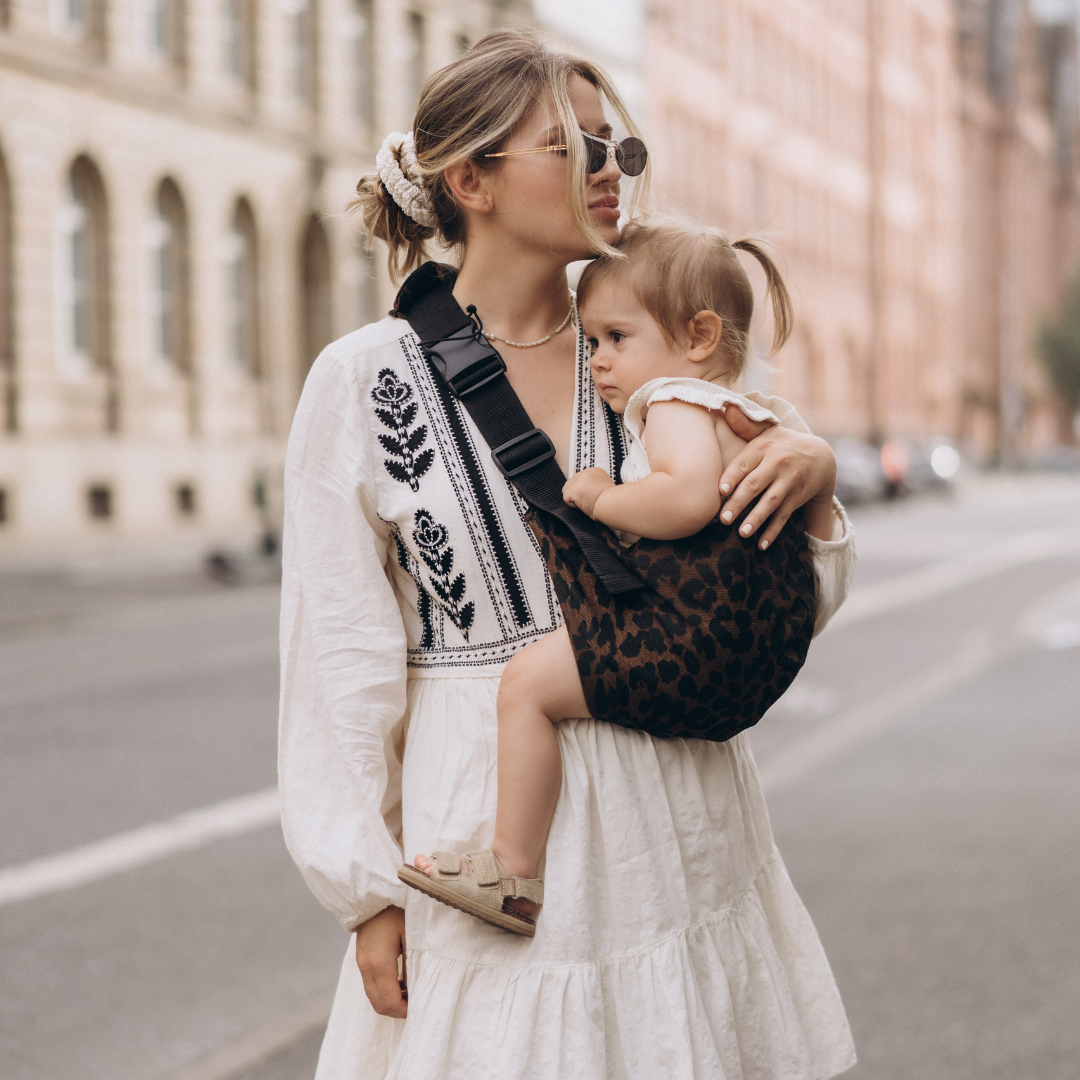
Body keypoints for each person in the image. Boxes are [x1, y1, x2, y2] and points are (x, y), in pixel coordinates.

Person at [279, 27, 857, 1080]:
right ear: (472, 180)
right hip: (489, 844)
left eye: (615, 146)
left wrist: (810, 478)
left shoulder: (662, 349)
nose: (609, 171)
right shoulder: (364, 379)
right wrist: (365, 896)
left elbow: (778, 607)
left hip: (675, 832)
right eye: (572, 146)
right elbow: (337, 663)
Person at [399, 219, 833, 937]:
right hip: (753, 649)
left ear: (697, 337)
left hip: (691, 632)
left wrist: (603, 498)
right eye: (592, 340)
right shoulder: (754, 418)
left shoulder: (671, 403)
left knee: (530, 685)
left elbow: (687, 497)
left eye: (615, 339)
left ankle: (511, 869)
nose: (597, 360)